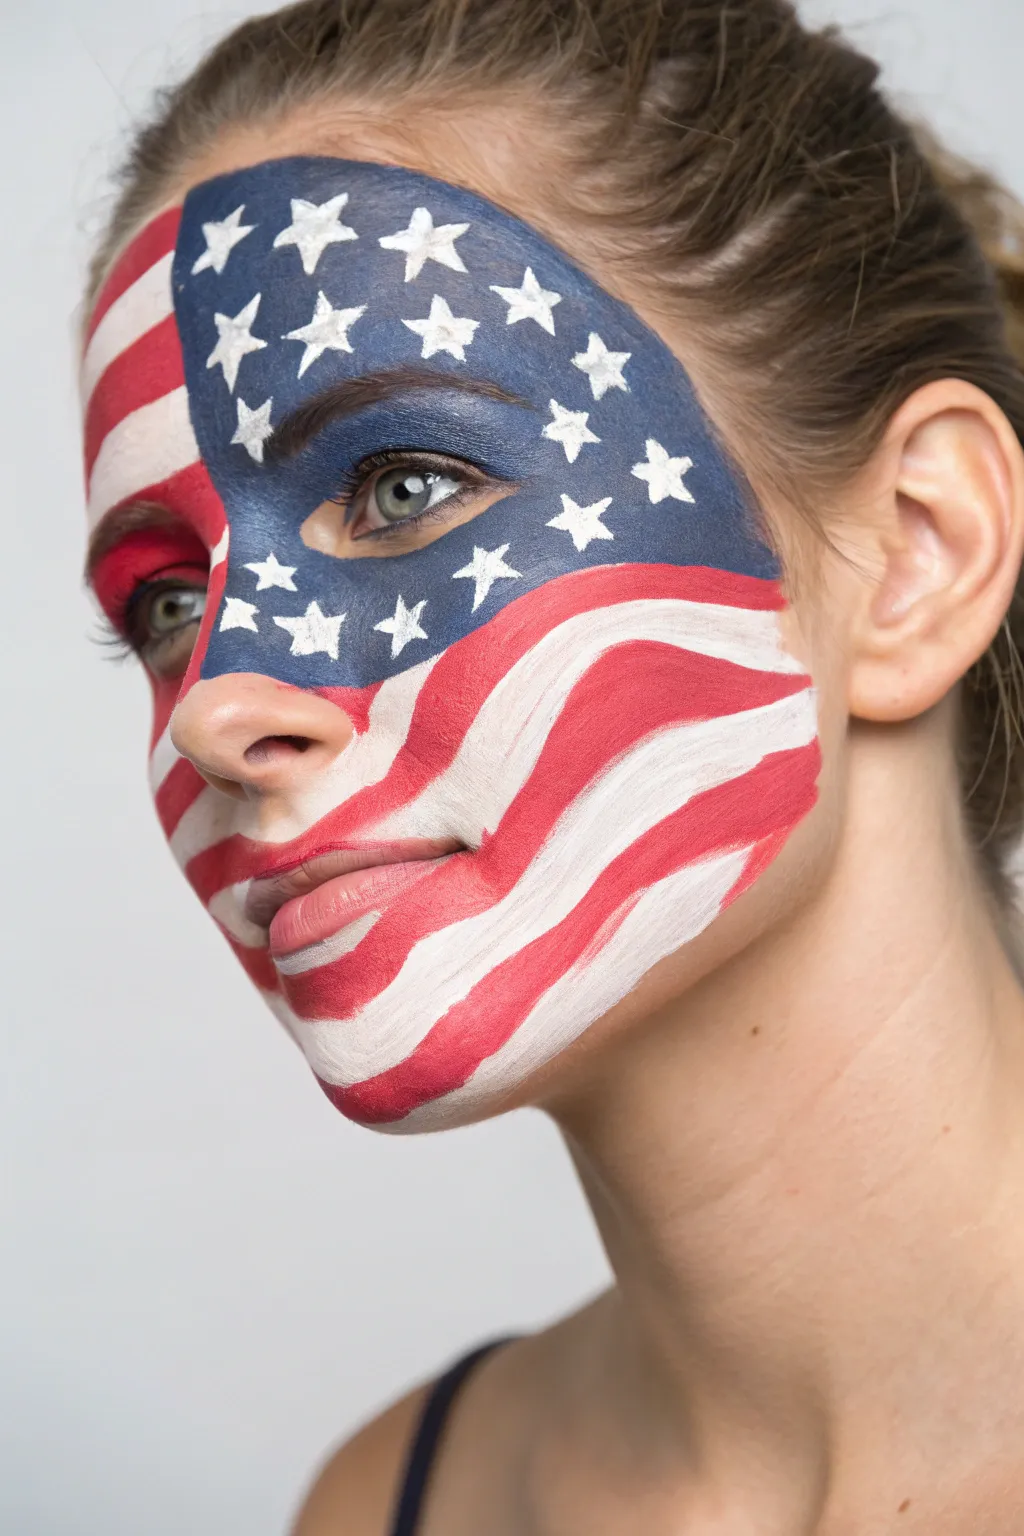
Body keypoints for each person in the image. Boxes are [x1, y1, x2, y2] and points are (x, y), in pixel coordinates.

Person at [79, 0, 1024, 1529]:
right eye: (169, 605)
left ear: (916, 554)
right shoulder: (395, 1503)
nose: (212, 705)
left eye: (401, 485)